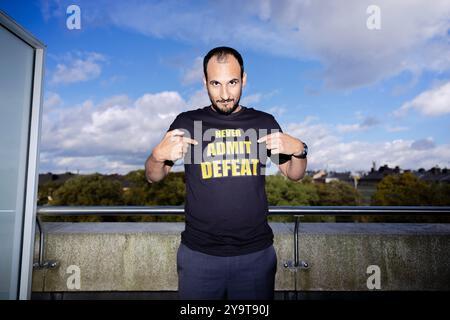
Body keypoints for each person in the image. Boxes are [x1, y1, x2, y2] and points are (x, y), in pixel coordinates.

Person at [145, 46, 307, 300]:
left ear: (243, 78)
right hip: (199, 255)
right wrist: (156, 156)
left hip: (255, 254)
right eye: (215, 84)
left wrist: (299, 149)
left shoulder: (263, 122)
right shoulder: (187, 122)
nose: (224, 94)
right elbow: (154, 176)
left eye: (232, 82)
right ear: (204, 83)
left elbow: (294, 173)